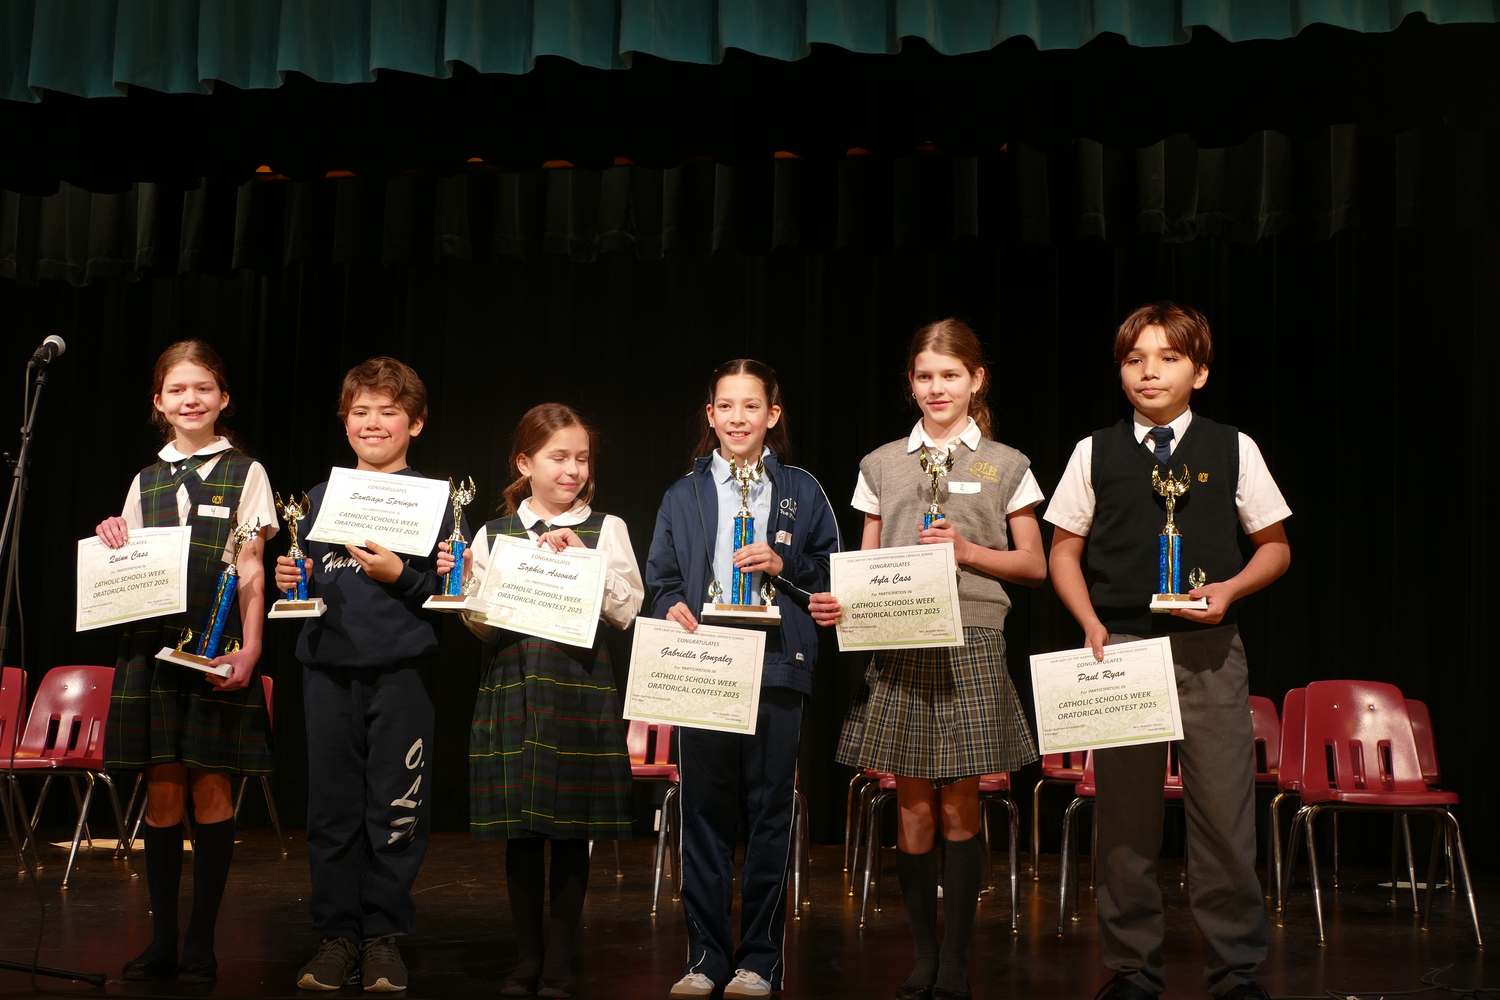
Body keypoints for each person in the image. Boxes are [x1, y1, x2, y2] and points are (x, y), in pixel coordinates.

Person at [1045, 302, 1291, 1000]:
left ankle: (1237, 971)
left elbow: (1276, 547)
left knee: (1224, 816)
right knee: (1124, 820)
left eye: (1168, 357)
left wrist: (1232, 590)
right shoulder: (1094, 451)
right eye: (1134, 359)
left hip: (1209, 650)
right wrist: (1090, 621)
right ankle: (1131, 970)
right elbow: (1065, 550)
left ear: (1201, 372)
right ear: (1121, 371)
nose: (1149, 371)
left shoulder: (1232, 446)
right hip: (1121, 649)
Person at [812, 318, 1046, 1000]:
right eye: (924, 376)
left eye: (951, 375)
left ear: (977, 380)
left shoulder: (1007, 464)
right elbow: (864, 559)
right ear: (910, 384)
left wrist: (968, 553)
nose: (937, 387)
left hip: (972, 636)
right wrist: (840, 602)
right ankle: (922, 955)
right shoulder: (882, 463)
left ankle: (958, 959)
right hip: (900, 639)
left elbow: (1032, 562)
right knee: (911, 807)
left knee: (960, 808)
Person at [646, 359, 840, 1000]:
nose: (737, 418)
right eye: (725, 406)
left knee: (768, 816)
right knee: (702, 815)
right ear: (710, 416)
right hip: (704, 666)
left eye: (750, 406)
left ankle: (759, 960)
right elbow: (660, 580)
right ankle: (705, 958)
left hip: (778, 665)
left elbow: (835, 576)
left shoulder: (802, 491)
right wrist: (669, 604)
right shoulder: (683, 494)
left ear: (772, 416)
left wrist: (785, 564)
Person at [274, 357, 466, 994]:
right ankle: (336, 936)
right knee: (331, 810)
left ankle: (383, 936)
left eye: (388, 412)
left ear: (415, 422)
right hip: (327, 668)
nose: (373, 423)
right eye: (361, 412)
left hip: (402, 670)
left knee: (396, 807)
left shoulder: (438, 502)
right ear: (344, 420)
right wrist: (289, 580)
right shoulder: (319, 499)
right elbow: (313, 576)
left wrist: (404, 578)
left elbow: (447, 593)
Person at [438, 403, 642, 999]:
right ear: (525, 463)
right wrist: (473, 585)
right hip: (514, 688)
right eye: (558, 457)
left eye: (581, 458)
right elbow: (480, 626)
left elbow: (628, 609)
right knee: (522, 833)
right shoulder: (494, 533)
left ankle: (558, 963)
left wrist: (583, 558)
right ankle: (526, 959)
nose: (572, 470)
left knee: (571, 831)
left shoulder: (607, 528)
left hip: (580, 690)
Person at [98, 339, 277, 984]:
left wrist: (251, 647)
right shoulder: (145, 479)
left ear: (222, 399)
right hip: (152, 650)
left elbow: (253, 566)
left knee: (211, 788)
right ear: (159, 403)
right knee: (164, 792)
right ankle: (162, 939)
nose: (190, 399)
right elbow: (125, 560)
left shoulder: (246, 472)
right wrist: (112, 537)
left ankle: (202, 940)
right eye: (177, 390)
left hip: (216, 648)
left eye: (202, 388)